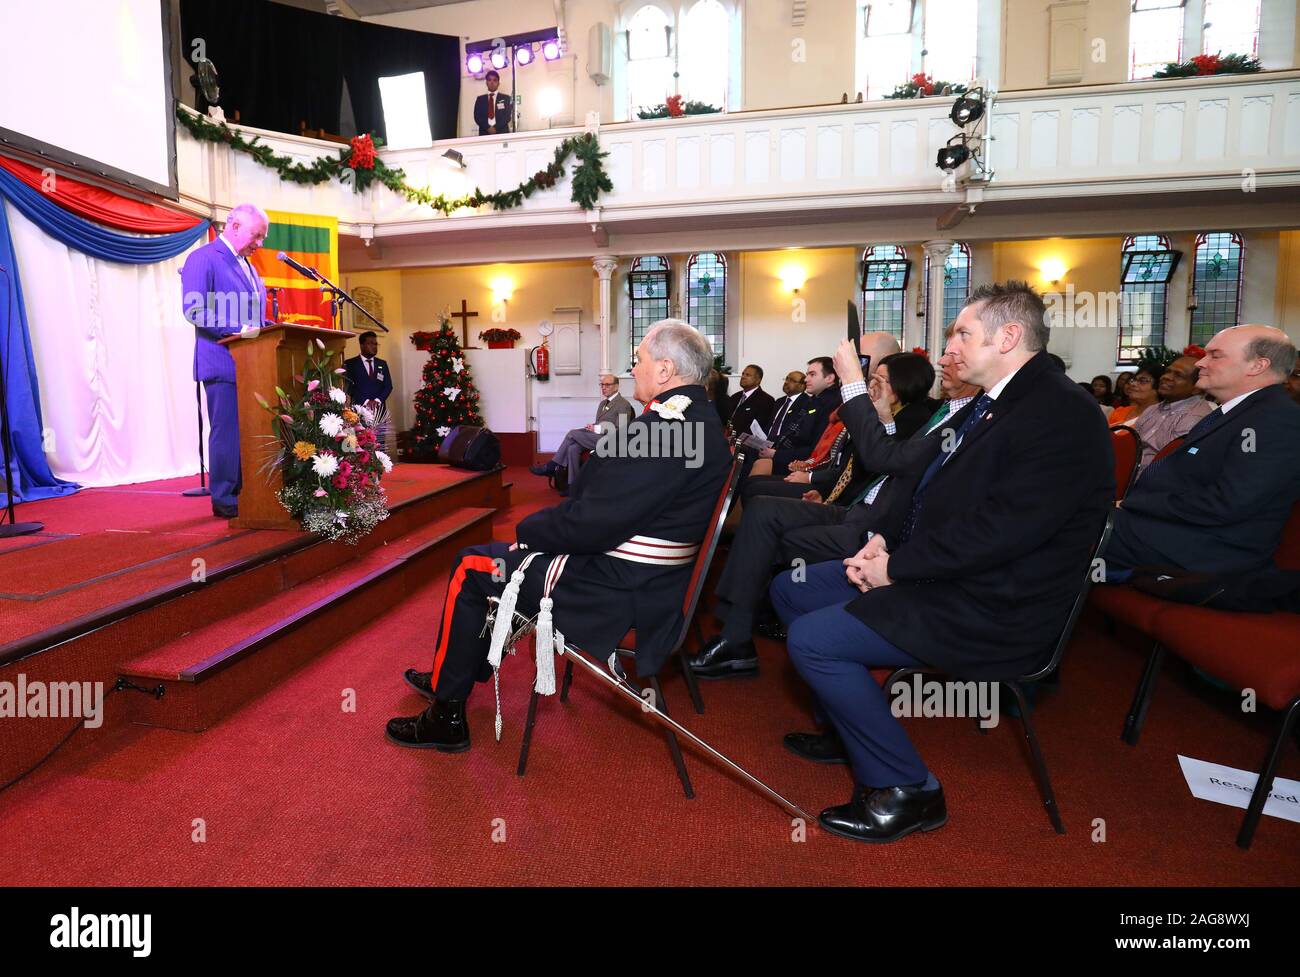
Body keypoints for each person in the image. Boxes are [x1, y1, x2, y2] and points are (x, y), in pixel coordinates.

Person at [770, 281, 1113, 843]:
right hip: (947, 573)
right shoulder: (993, 400)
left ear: (1008, 336)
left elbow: (1001, 533)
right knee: (792, 591)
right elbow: (920, 481)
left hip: (997, 602)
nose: (949, 344)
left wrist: (896, 569)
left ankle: (909, 790)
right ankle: (848, 725)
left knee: (813, 640)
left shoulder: (1059, 413)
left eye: (962, 332)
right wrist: (880, 541)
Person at [386, 320, 730, 752]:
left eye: (638, 359)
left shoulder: (664, 431)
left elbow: (592, 524)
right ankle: (450, 673)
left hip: (612, 587)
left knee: (473, 565)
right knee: (494, 564)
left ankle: (446, 715)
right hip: (648, 580)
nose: (633, 368)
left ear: (665, 370)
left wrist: (528, 532)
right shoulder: (699, 422)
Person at [690, 339, 980, 679]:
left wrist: (874, 410)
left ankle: (747, 628)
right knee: (762, 510)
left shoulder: (932, 415)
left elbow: (881, 459)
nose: (944, 360)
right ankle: (737, 628)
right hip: (857, 507)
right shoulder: (943, 413)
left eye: (878, 374)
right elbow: (867, 466)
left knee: (768, 533)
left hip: (876, 525)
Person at [1105, 325, 1300, 577]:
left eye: (1215, 355)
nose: (1201, 363)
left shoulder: (1277, 419)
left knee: (1069, 525)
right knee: (1066, 517)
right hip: (1174, 530)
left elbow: (1227, 504)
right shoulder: (1236, 411)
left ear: (1257, 366)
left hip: (1208, 550)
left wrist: (1133, 503)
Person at [742, 351, 936, 504]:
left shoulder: (911, 418)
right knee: (755, 487)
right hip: (831, 484)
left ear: (904, 382)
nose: (872, 384)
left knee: (760, 498)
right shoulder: (817, 402)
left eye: (880, 379)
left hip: (854, 506)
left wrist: (811, 479)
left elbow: (869, 466)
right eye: (872, 378)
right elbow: (845, 464)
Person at [180, 202, 269, 519]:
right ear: (234, 226)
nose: (259, 244)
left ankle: (249, 490)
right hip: (221, 363)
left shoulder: (251, 268)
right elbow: (194, 310)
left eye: (262, 238)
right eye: (256, 236)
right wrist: (241, 330)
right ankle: (225, 497)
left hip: (254, 364)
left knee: (250, 431)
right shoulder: (202, 258)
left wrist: (271, 329)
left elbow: (256, 320)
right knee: (228, 431)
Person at [530, 374, 635, 495]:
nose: (604, 387)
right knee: (572, 448)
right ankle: (573, 486)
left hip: (610, 440)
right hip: (597, 436)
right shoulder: (602, 404)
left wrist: (598, 428)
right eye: (602, 384)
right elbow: (599, 423)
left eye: (607, 385)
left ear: (616, 386)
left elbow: (621, 430)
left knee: (571, 434)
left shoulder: (623, 404)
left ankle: (552, 466)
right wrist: (593, 427)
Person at [1131, 352, 1214, 468]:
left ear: (1197, 388)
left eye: (1178, 375)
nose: (1166, 377)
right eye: (1168, 371)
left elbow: (1171, 464)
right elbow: (1131, 444)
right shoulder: (1153, 409)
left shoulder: (1194, 417)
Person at [344, 331, 393, 415]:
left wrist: (377, 401)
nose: (374, 347)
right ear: (362, 345)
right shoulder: (350, 364)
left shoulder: (382, 364)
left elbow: (388, 386)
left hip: (379, 411)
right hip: (359, 410)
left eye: (375, 344)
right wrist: (366, 401)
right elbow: (349, 387)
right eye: (370, 344)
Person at [723, 364, 776, 435]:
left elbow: (759, 428)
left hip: (746, 443)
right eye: (743, 374)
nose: (743, 377)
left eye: (748, 375)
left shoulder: (766, 400)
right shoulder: (735, 396)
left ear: (758, 380)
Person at [473, 70, 513, 136]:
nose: (492, 82)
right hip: (484, 133)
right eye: (489, 80)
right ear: (486, 83)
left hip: (502, 133)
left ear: (498, 83)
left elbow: (507, 116)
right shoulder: (480, 99)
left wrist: (495, 128)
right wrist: (488, 127)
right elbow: (477, 117)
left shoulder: (506, 98)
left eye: (495, 80)